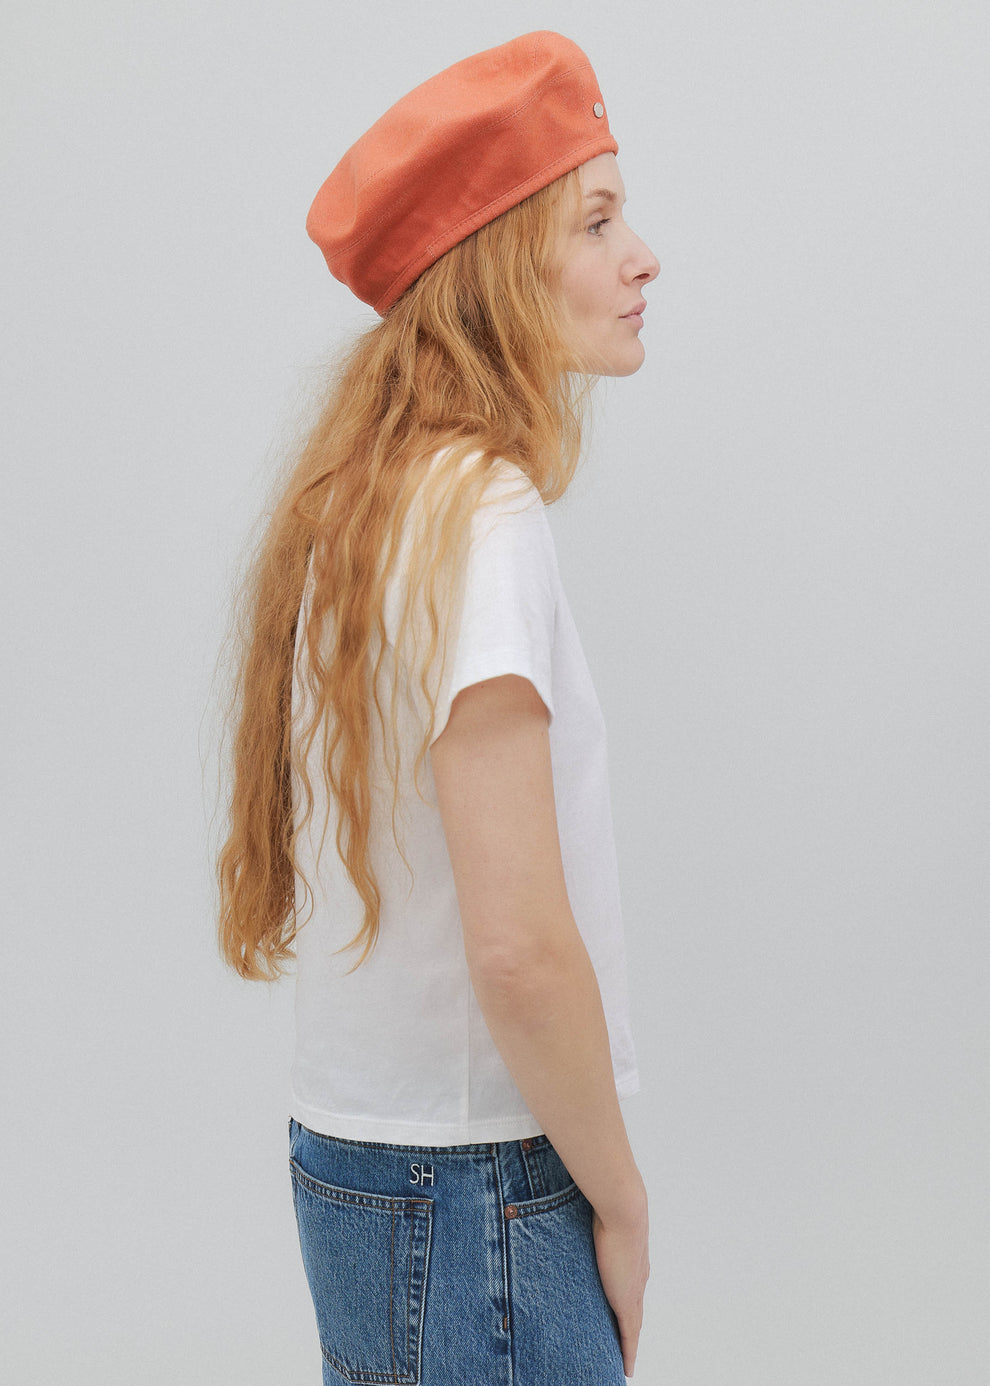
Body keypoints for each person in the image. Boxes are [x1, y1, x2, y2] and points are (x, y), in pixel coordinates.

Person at [216, 30, 660, 1386]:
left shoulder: (357, 499)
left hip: (358, 1164)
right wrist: (623, 1201)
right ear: (496, 271)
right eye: (595, 220)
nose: (641, 255)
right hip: (479, 1189)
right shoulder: (482, 511)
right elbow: (519, 945)